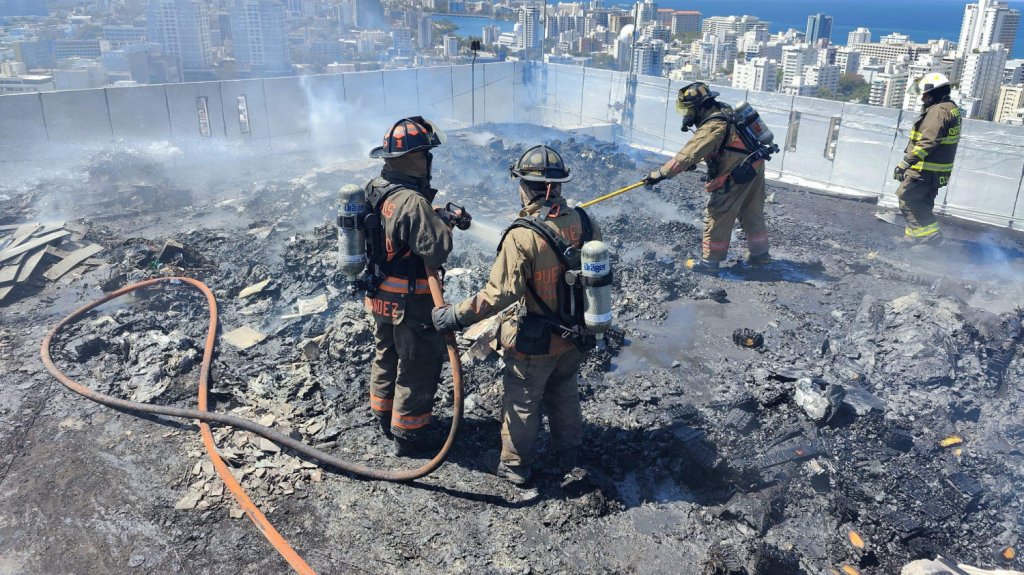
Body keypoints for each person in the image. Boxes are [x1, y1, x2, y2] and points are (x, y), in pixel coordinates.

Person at [431, 145, 601, 487]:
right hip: (577, 334)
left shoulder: (522, 235)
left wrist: (454, 316)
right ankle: (569, 454)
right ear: (559, 185)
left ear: (525, 185)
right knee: (565, 392)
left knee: (523, 400)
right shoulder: (584, 220)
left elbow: (500, 294)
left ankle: (515, 467)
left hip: (536, 340)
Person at [363, 116, 454, 457]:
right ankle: (409, 433)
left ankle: (383, 414)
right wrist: (442, 225)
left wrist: (434, 216)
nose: (430, 160)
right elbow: (436, 248)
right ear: (412, 158)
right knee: (418, 364)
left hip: (379, 293)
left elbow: (396, 230)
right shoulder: (412, 202)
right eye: (426, 153)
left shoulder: (376, 188)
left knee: (385, 355)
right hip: (410, 300)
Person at [642, 81, 770, 273]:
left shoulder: (712, 126)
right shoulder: (725, 111)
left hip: (736, 174)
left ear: (700, 107)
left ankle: (710, 263)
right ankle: (760, 256)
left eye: (689, 109)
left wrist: (659, 175)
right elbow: (724, 145)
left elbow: (687, 156)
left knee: (718, 214)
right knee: (751, 211)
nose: (688, 115)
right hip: (754, 167)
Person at [893, 73, 961, 244]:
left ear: (934, 93)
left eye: (925, 94)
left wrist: (905, 162)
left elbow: (928, 141)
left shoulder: (938, 111)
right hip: (936, 170)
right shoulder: (950, 108)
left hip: (925, 169)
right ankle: (912, 236)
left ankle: (930, 238)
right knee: (921, 202)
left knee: (907, 199)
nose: (922, 98)